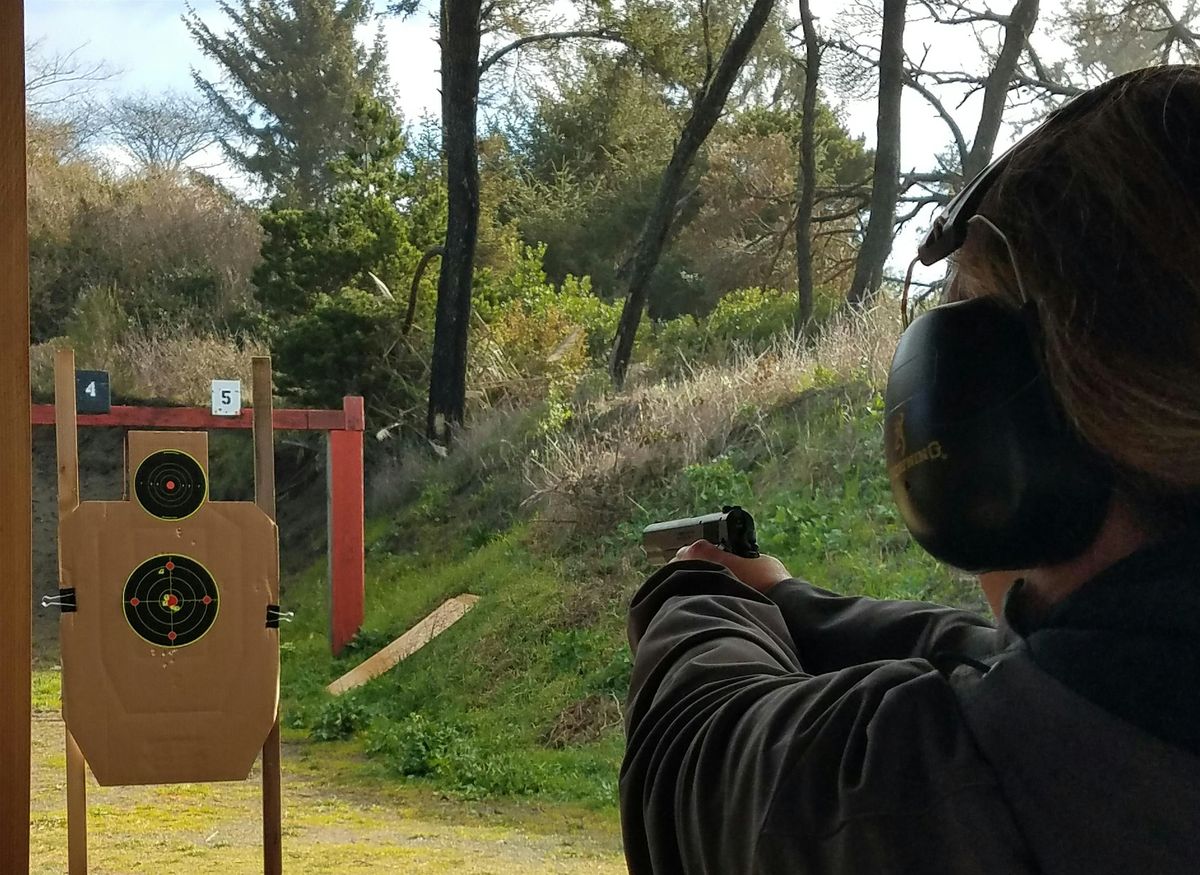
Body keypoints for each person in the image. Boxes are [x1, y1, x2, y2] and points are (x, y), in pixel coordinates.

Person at [619, 65, 1200, 875]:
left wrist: (697, 593)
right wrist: (789, 601)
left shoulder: (969, 793)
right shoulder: (1141, 704)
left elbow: (698, 762)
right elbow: (1001, 659)